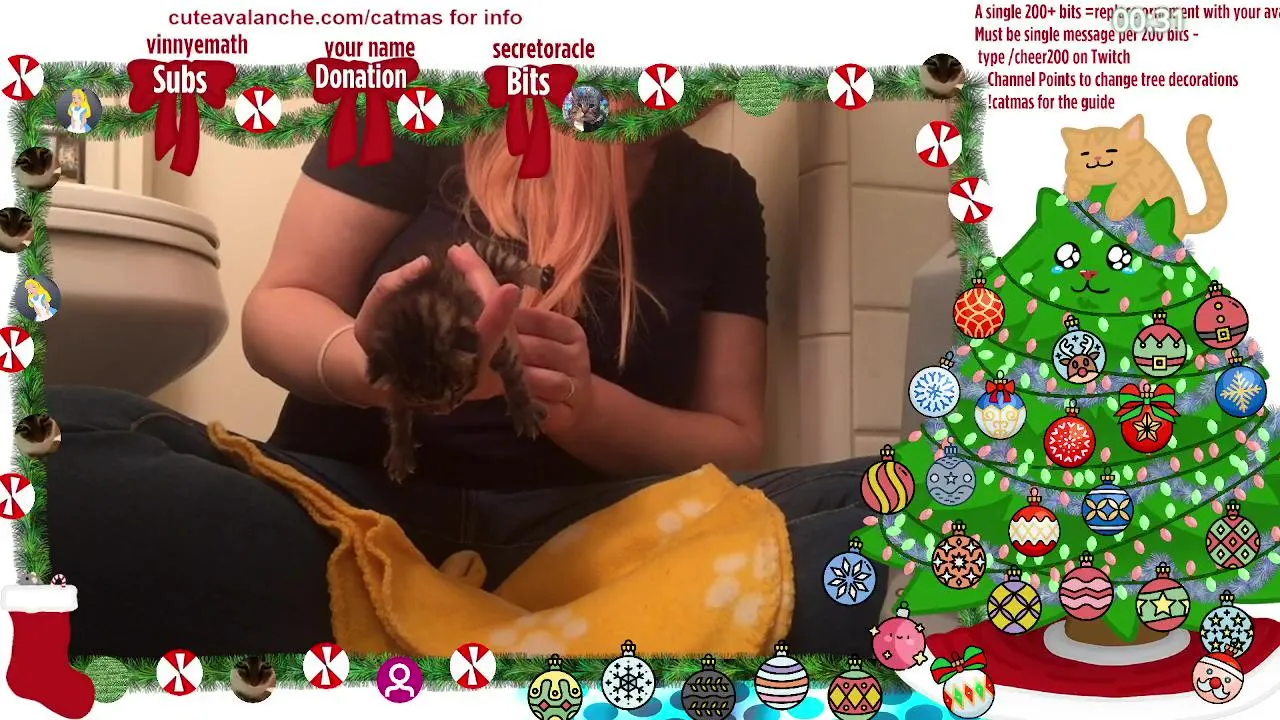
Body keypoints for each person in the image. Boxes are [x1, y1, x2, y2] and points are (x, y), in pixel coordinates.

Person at [45, 103, 888, 658]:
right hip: (354, 518)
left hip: (593, 540)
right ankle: (565, 645)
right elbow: (277, 309)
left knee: (922, 499)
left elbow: (733, 441)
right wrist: (367, 364)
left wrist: (582, 404)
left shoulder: (719, 192)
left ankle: (415, 645)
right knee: (65, 441)